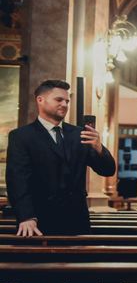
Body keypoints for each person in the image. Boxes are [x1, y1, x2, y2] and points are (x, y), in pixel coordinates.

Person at [6, 79, 116, 236]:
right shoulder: (22, 136)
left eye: (67, 101)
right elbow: (17, 179)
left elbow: (107, 170)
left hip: (77, 220)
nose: (64, 104)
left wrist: (99, 148)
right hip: (39, 221)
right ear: (40, 100)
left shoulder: (80, 134)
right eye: (59, 100)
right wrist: (26, 216)